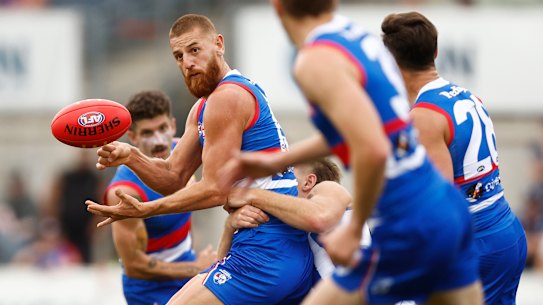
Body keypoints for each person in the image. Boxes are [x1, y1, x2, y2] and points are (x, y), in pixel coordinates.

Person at [218, 1, 483, 305]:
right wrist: (278, 160)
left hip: (409, 217)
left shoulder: (314, 61)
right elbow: (364, 128)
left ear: (278, 7)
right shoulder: (358, 37)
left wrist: (354, 228)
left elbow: (373, 149)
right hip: (444, 206)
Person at [85, 14, 315, 305]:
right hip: (274, 246)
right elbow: (172, 177)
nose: (187, 63)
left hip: (266, 249)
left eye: (195, 50)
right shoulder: (205, 106)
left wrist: (145, 209)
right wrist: (131, 156)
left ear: (219, 44)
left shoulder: (227, 97)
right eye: (178, 56)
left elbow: (215, 188)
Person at [380, 12, 527, 304]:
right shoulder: (466, 95)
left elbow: (440, 207)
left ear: (391, 64)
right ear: (435, 52)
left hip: (477, 244)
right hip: (505, 228)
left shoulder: (423, 118)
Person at [104, 90, 216, 305]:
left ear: (173, 125)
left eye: (162, 128)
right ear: (133, 137)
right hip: (150, 290)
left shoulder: (185, 153)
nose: (158, 141)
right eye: (147, 133)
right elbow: (134, 265)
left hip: (188, 273)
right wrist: (195, 266)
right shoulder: (125, 192)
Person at [219, 158, 371, 279]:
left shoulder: (329, 188)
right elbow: (225, 273)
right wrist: (229, 227)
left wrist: (252, 194)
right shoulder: (289, 231)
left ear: (308, 182)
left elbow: (319, 218)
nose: (276, 181)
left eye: (286, 173)